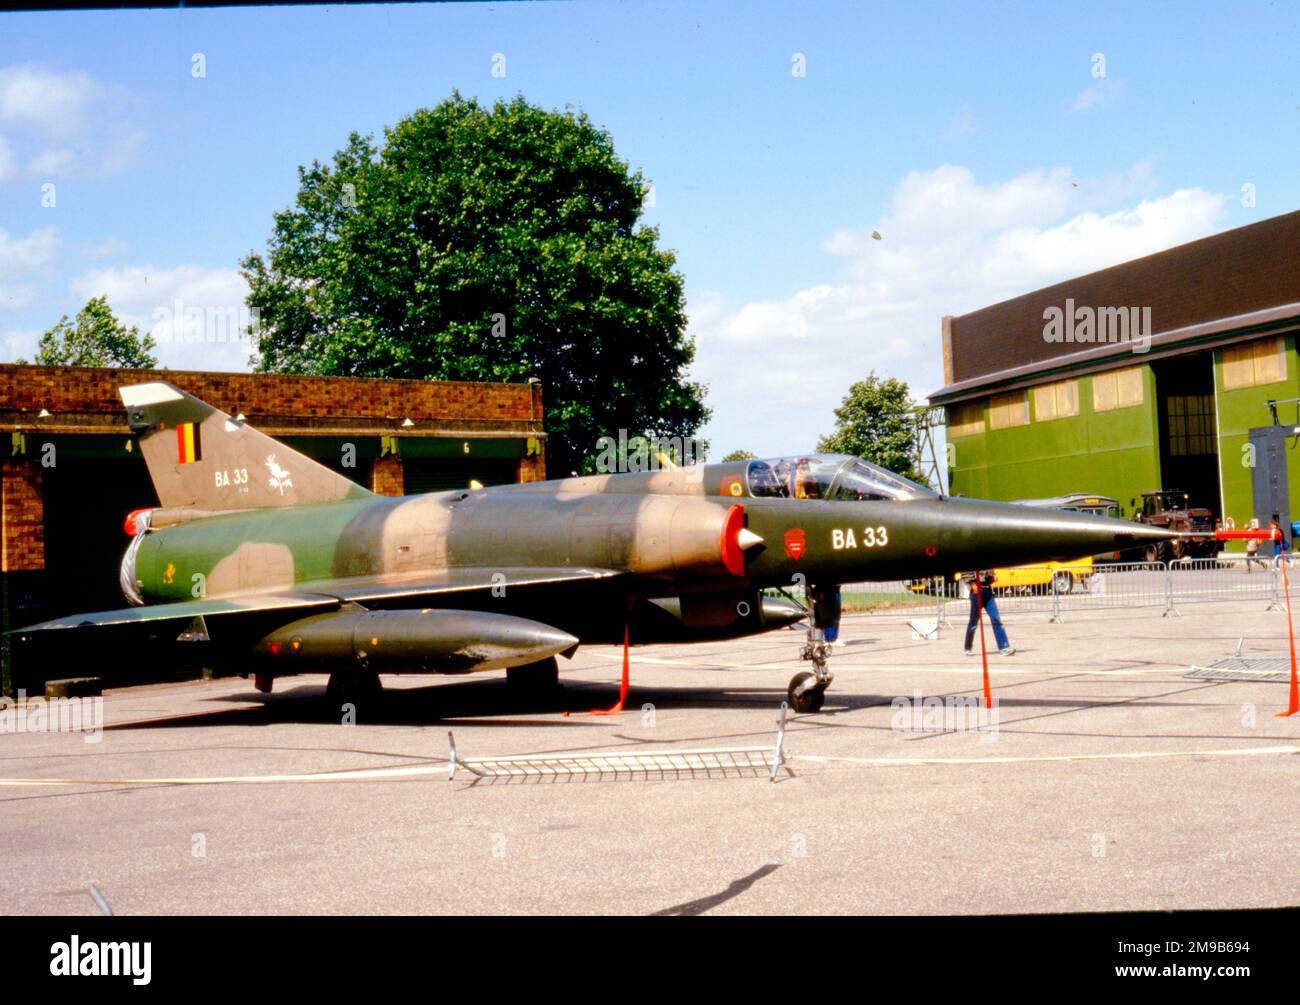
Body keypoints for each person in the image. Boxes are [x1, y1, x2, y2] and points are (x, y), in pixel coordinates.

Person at [961, 569, 1015, 656]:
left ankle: (1004, 647)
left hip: (988, 591)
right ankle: (968, 647)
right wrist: (972, 584)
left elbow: (991, 573)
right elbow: (965, 573)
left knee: (996, 618)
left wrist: (993, 576)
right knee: (973, 622)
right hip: (977, 591)